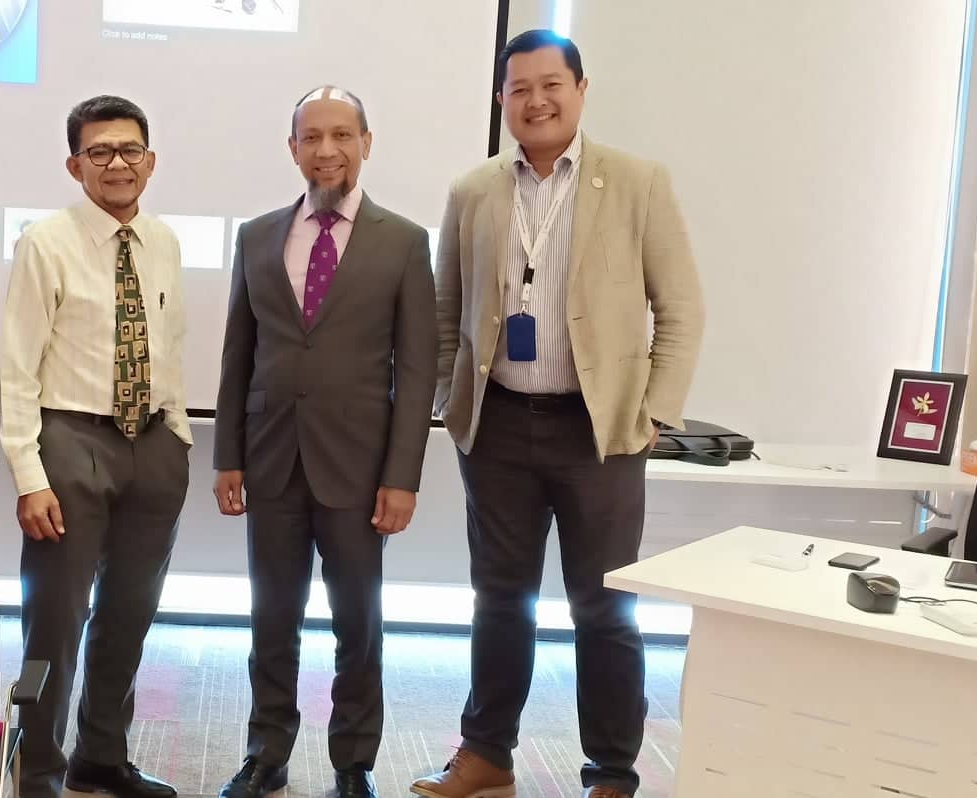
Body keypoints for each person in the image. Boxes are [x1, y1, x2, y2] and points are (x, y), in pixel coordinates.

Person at [414, 30, 705, 798]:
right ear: (501, 100)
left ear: (580, 90)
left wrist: (654, 413)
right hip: (499, 428)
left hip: (598, 433)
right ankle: (486, 755)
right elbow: (446, 310)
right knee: (499, 601)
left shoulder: (637, 182)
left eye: (552, 85)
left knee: (603, 609)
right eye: (520, 89)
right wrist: (449, 400)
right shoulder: (473, 190)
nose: (536, 101)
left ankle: (611, 772)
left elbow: (680, 308)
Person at [213, 86, 436, 798]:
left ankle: (353, 763)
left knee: (357, 624)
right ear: (293, 148)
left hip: (359, 469)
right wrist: (228, 455)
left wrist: (402, 476)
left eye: (342, 135)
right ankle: (266, 752)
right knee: (271, 619)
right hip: (272, 459)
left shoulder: (404, 242)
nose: (327, 150)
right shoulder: (257, 236)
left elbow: (417, 370)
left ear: (367, 143)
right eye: (311, 137)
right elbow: (238, 355)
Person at [0, 95, 192, 798]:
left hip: (153, 446)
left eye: (130, 150)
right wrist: (29, 474)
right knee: (54, 623)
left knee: (127, 616)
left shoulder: (164, 242)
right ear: (74, 164)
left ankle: (101, 757)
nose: (117, 163)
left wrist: (176, 434)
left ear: (150, 161)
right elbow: (16, 369)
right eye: (100, 151)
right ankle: (38, 773)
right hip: (70, 442)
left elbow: (169, 345)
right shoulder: (44, 242)